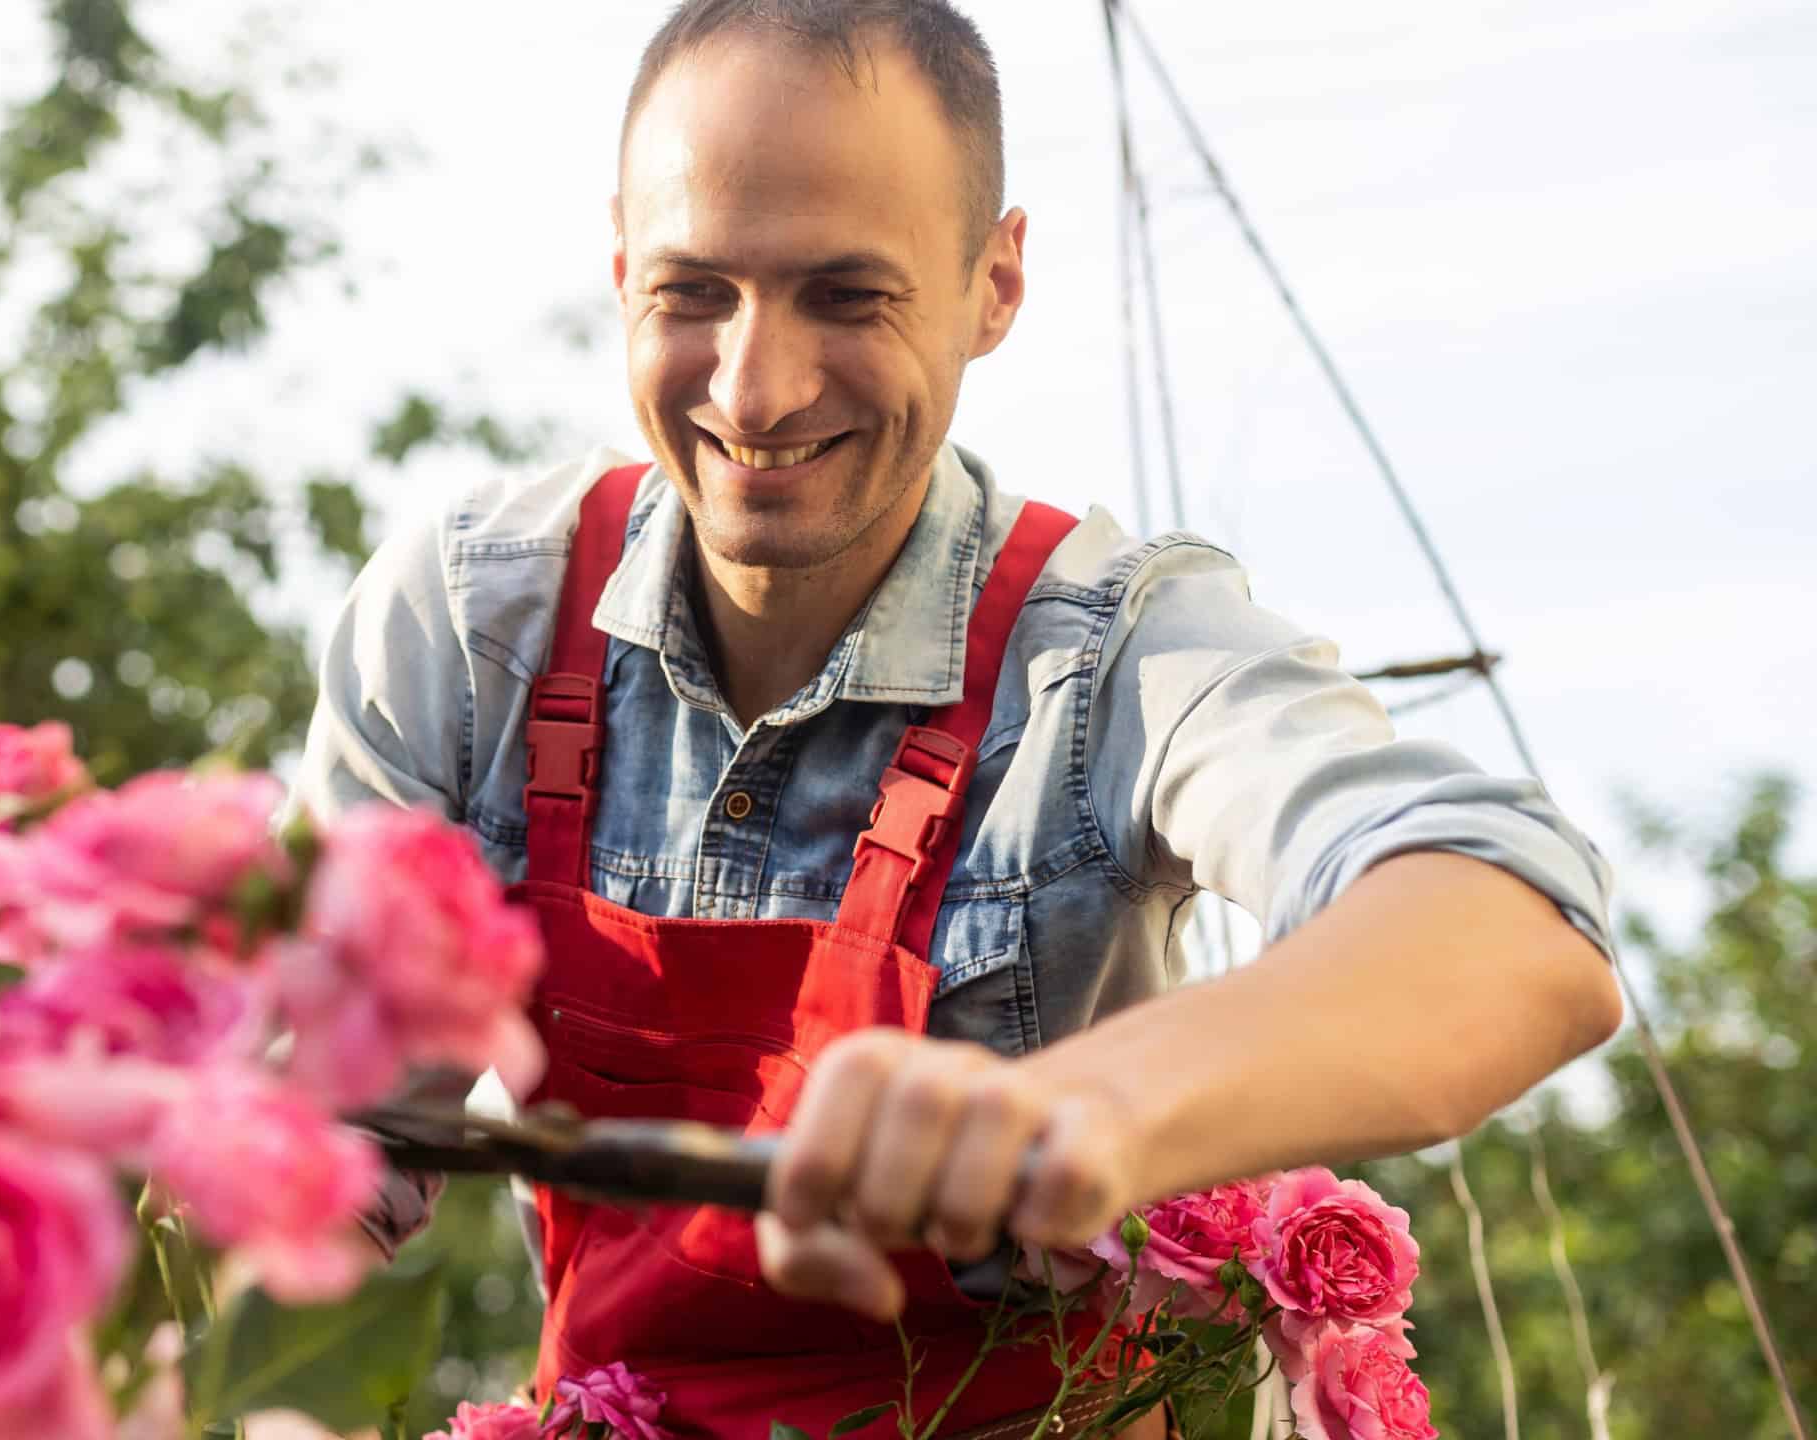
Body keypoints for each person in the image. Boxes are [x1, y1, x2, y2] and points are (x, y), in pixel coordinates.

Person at [292, 2, 1623, 1436]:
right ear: (620, 263)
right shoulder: (475, 627)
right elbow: (304, 1165)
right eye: (694, 292)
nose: (758, 388)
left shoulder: (1113, 654)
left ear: (994, 283)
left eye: (848, 298)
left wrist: (1080, 1118)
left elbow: (1518, 934)